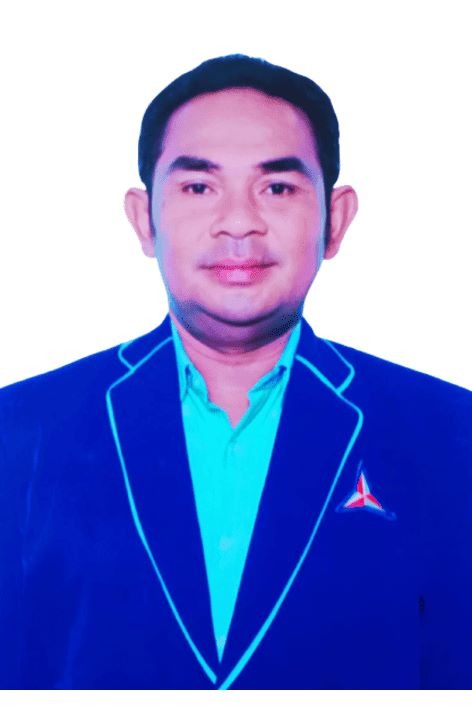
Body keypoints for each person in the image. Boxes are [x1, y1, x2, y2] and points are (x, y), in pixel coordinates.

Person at [0, 54, 471, 690]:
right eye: (199, 187)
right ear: (144, 219)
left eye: (278, 188)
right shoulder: (20, 430)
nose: (240, 221)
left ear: (335, 220)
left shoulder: (451, 435)